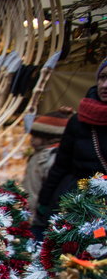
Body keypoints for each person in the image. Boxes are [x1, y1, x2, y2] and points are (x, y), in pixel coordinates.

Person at [36, 59, 107, 237]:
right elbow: (61, 165)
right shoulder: (79, 121)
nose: (105, 85)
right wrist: (43, 203)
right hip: (75, 203)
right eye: (103, 77)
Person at [22, 111, 70, 219]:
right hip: (31, 210)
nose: (31, 140)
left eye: (35, 136)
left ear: (49, 137)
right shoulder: (39, 153)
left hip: (40, 214)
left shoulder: (51, 157)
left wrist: (41, 209)